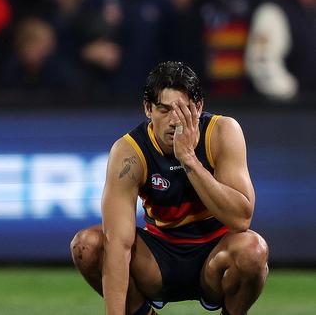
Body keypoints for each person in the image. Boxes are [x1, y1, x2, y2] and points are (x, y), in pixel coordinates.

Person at [70, 61, 268, 315]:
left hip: (215, 255)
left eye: (183, 109)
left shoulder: (222, 132)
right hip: (158, 260)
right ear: (147, 109)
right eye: (164, 110)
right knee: (87, 245)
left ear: (199, 107)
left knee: (253, 251)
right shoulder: (129, 152)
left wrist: (189, 160)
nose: (174, 120)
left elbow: (241, 219)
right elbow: (118, 244)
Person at [245, 0, 316, 101]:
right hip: (288, 113)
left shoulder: (311, 10)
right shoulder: (273, 11)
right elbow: (263, 64)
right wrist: (292, 94)